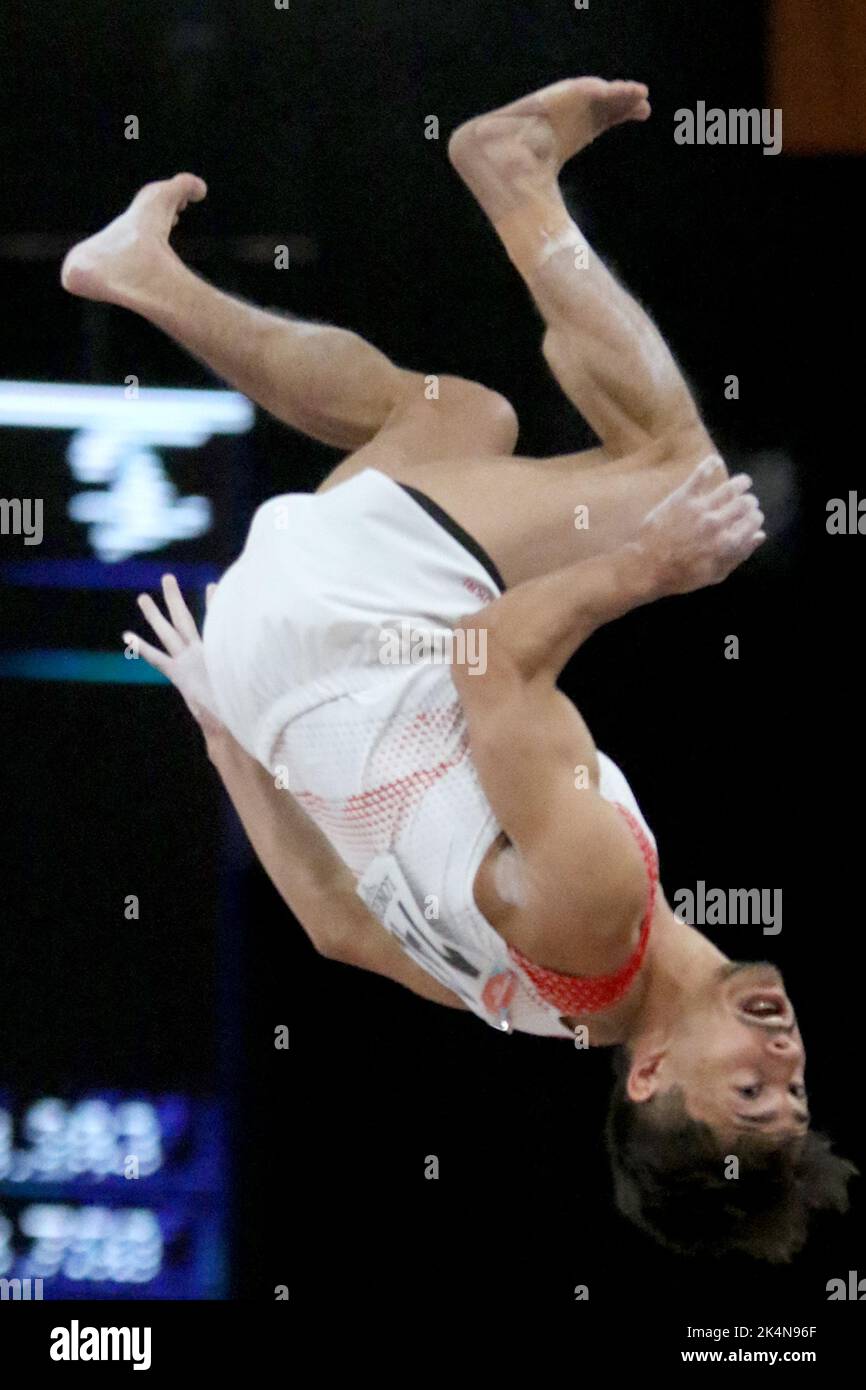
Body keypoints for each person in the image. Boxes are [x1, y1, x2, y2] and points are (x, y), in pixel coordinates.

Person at [62, 76, 855, 1259]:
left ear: (649, 1076)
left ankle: (512, 172)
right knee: (445, 418)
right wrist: (223, 722)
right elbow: (338, 929)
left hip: (354, 626)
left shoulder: (603, 908)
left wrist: (651, 568)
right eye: (791, 1093)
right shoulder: (541, 1014)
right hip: (284, 669)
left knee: (670, 468)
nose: (781, 1059)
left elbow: (489, 659)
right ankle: (136, 271)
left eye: (748, 1092)